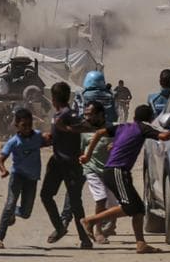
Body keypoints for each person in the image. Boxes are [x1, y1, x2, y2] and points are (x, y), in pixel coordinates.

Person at [80, 104, 170, 253]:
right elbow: (164, 136)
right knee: (129, 206)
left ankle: (141, 244)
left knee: (138, 209)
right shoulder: (143, 128)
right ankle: (90, 221)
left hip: (115, 172)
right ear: (150, 118)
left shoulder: (123, 126)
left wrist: (87, 155)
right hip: (117, 171)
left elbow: (98, 133)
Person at [40, 82, 92, 249]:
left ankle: (84, 238)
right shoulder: (58, 115)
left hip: (70, 164)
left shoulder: (69, 114)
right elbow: (58, 137)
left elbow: (86, 127)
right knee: (47, 195)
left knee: (75, 202)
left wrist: (67, 129)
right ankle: (60, 228)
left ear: (53, 99)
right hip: (57, 163)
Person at [0, 108, 48, 249]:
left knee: (25, 213)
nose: (28, 128)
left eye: (30, 125)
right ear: (16, 125)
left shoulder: (37, 136)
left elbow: (48, 140)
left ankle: (11, 213)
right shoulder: (13, 142)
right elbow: (0, 160)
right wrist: (4, 170)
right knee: (10, 203)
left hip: (32, 179)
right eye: (24, 125)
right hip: (17, 176)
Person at [63, 100, 117, 242]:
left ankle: (110, 226)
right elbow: (81, 150)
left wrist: (115, 145)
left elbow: (121, 143)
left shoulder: (111, 129)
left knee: (115, 204)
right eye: (85, 114)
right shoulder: (83, 131)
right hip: (91, 169)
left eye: (90, 115)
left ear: (100, 115)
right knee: (101, 198)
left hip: (109, 170)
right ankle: (97, 230)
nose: (87, 118)